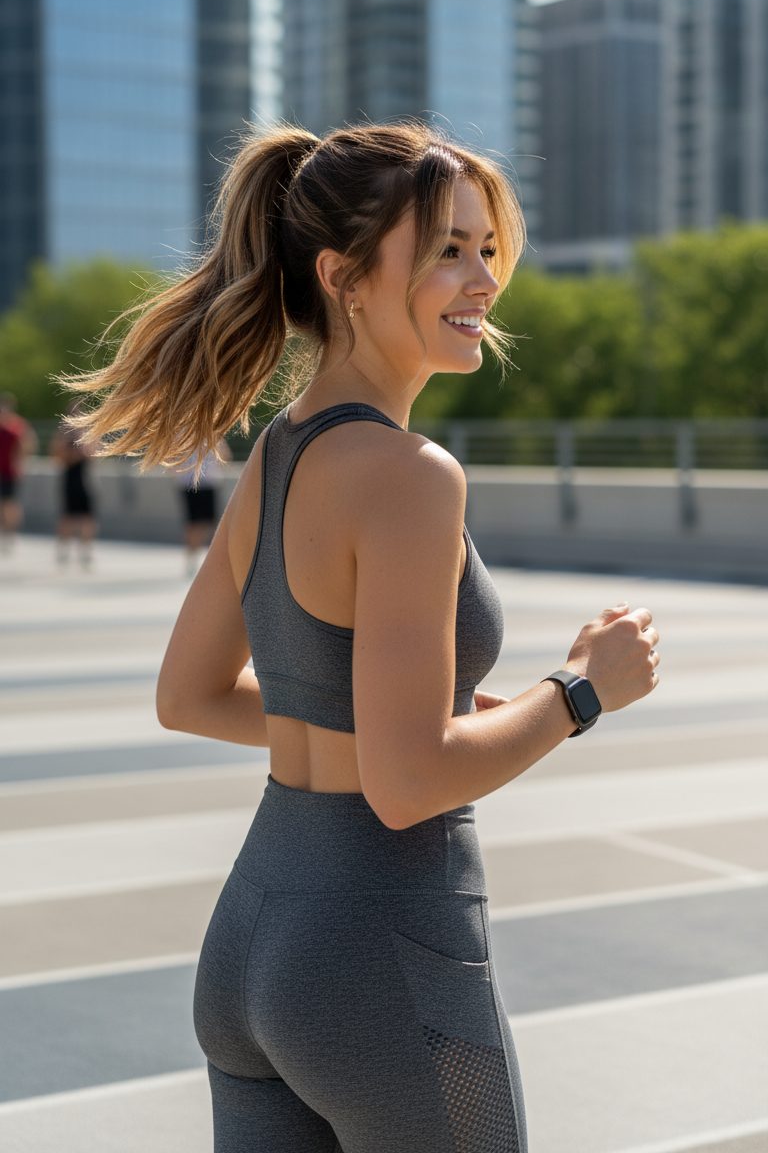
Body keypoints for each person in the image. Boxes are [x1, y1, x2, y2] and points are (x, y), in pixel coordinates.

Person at [64, 123, 660, 1152]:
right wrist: (579, 689)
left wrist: (380, 719)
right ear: (342, 276)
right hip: (380, 955)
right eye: (445, 250)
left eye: (485, 247)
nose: (483, 278)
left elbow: (190, 694)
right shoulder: (410, 476)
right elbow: (408, 782)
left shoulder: (278, 457)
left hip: (251, 943)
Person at [49, 403, 97, 567]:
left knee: (87, 517)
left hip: (84, 478)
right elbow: (57, 456)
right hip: (69, 478)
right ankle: (64, 549)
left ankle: (85, 551)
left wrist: (82, 449)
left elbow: (93, 454)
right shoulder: (63, 435)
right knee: (67, 516)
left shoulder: (87, 433)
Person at [175, 441, 233, 576]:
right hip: (194, 481)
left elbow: (225, 454)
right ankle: (193, 557)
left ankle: (196, 556)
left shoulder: (211, 432)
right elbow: (225, 455)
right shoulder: (207, 432)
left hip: (201, 481)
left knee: (204, 522)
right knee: (196, 522)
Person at [0, 392, 38, 551]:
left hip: (9, 471)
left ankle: (10, 534)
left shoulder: (18, 425)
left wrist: (21, 461)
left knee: (10, 504)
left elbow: (29, 444)